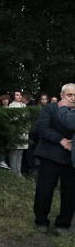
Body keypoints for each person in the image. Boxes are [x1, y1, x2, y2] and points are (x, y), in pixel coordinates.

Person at [33, 84, 75, 234]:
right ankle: (41, 221)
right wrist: (61, 140)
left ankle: (63, 224)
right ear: (62, 95)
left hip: (71, 158)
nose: (73, 98)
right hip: (50, 155)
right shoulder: (50, 108)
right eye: (69, 95)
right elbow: (41, 127)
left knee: (70, 192)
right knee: (44, 189)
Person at [8, 90, 29, 176]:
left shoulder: (24, 106)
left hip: (24, 131)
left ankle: (18, 172)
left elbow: (28, 118)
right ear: (13, 97)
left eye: (20, 95)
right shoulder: (11, 106)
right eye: (17, 95)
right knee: (14, 151)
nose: (19, 96)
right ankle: (13, 172)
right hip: (16, 131)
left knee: (20, 152)